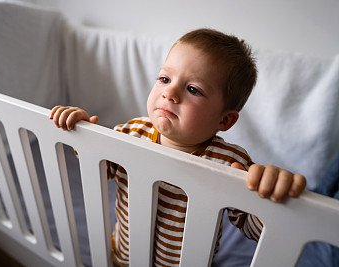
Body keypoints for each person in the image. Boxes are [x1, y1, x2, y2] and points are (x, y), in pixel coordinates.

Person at [49, 28, 306, 266]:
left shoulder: (230, 162)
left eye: (193, 89)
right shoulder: (132, 132)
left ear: (224, 120)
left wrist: (270, 196)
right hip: (123, 259)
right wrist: (82, 133)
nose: (169, 93)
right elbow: (98, 169)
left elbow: (254, 228)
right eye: (164, 78)